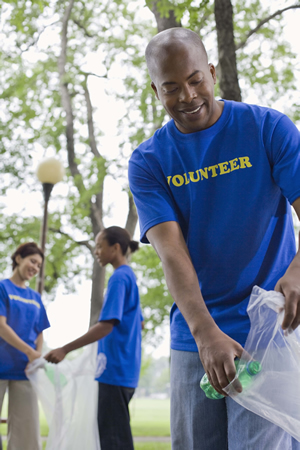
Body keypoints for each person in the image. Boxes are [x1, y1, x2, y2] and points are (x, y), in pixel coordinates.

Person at [128, 27, 300, 449]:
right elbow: (172, 254)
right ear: (156, 90)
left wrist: (297, 270)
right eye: (171, 88)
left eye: (194, 80)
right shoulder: (148, 162)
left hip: (267, 333)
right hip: (195, 335)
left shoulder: (268, 129)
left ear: (212, 71)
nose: (186, 96)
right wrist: (205, 333)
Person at [45, 226, 143, 450]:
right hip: (126, 371)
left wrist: (65, 349)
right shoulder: (129, 277)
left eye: (99, 246)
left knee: (113, 440)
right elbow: (140, 322)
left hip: (114, 372)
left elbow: (105, 326)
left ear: (115, 248)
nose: (96, 251)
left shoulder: (119, 278)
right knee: (116, 435)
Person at [0, 242, 50, 450]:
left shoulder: (35, 297)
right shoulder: (3, 288)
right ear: (18, 258)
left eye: (39, 265)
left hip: (26, 370)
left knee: (26, 432)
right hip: (1, 366)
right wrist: (29, 351)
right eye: (32, 261)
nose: (35, 268)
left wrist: (35, 356)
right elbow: (1, 326)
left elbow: (40, 331)